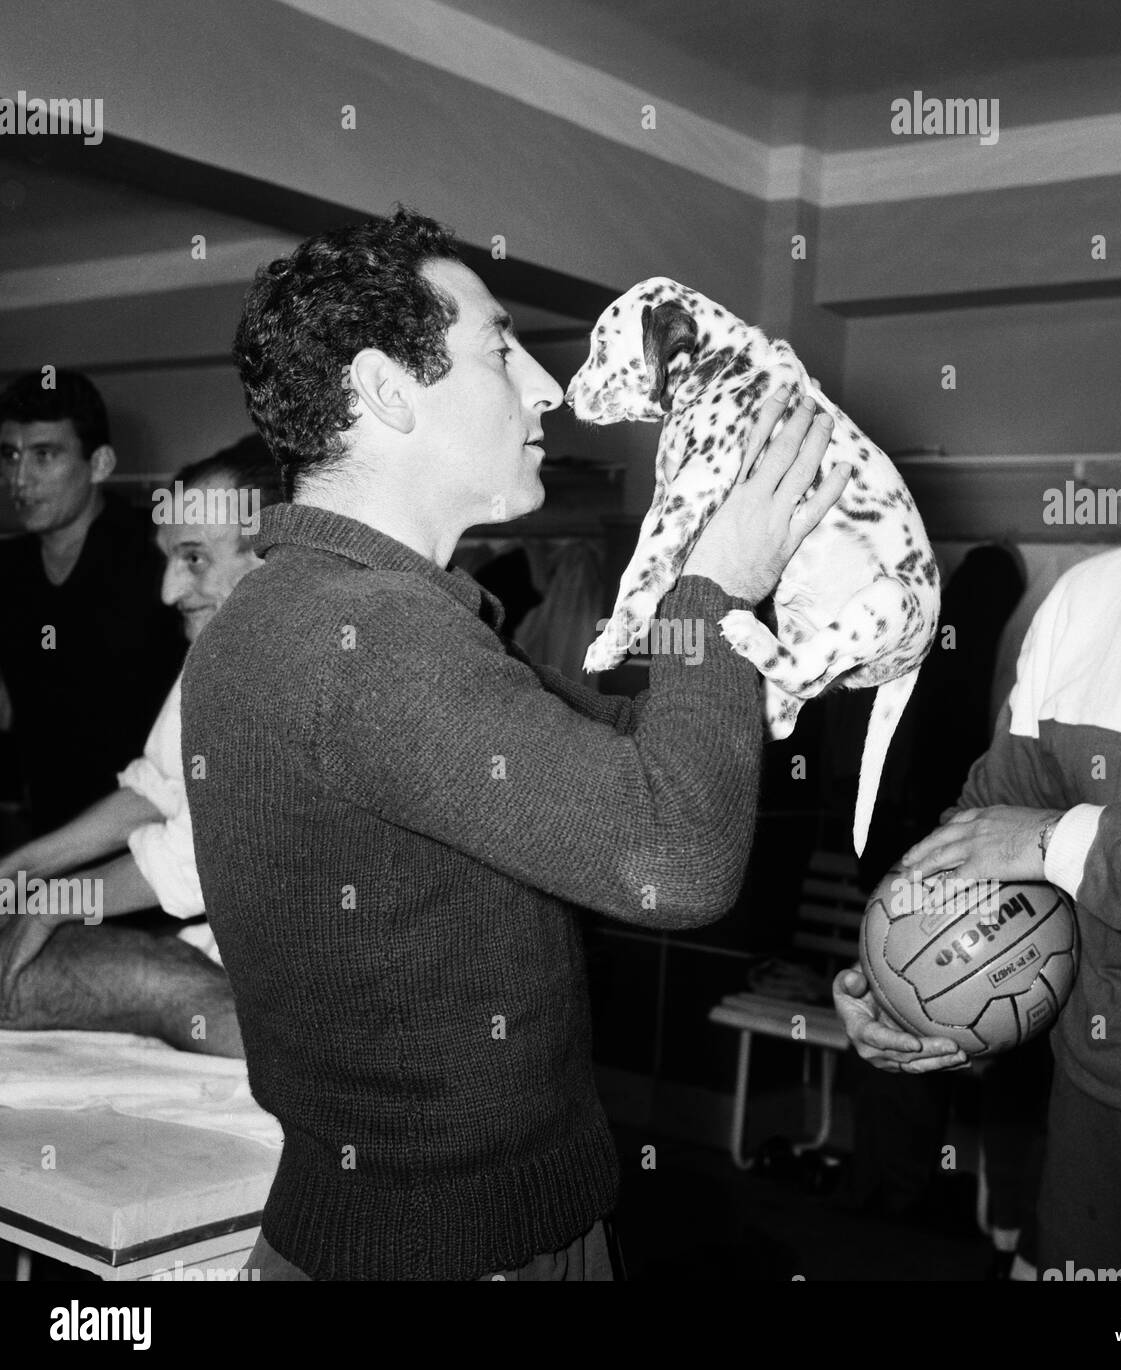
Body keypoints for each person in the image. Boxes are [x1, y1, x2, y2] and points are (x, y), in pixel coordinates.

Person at [183, 207, 850, 1281]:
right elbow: (673, 857)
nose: (546, 387)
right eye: (501, 348)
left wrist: (762, 631)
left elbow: (627, 757)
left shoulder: (310, 610)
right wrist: (714, 587)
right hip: (454, 1249)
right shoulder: (373, 638)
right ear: (384, 390)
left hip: (396, 1229)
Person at [834, 241, 1121, 1281]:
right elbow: (984, 827)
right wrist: (904, 971)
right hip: (1083, 1122)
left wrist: (1054, 838)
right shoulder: (1084, 596)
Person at [0, 439, 279, 1058]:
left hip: (351, 977)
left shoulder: (306, 666)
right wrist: (22, 871)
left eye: (194, 559)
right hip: (242, 943)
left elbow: (199, 855)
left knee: (164, 989)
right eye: (168, 559)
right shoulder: (223, 643)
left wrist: (55, 903)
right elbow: (160, 786)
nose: (168, 590)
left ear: (277, 557)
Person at [0, 371, 186, 832]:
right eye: (10, 455)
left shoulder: (161, 550)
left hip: (160, 836)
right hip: (48, 831)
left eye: (44, 455)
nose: (19, 478)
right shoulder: (8, 566)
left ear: (99, 464)